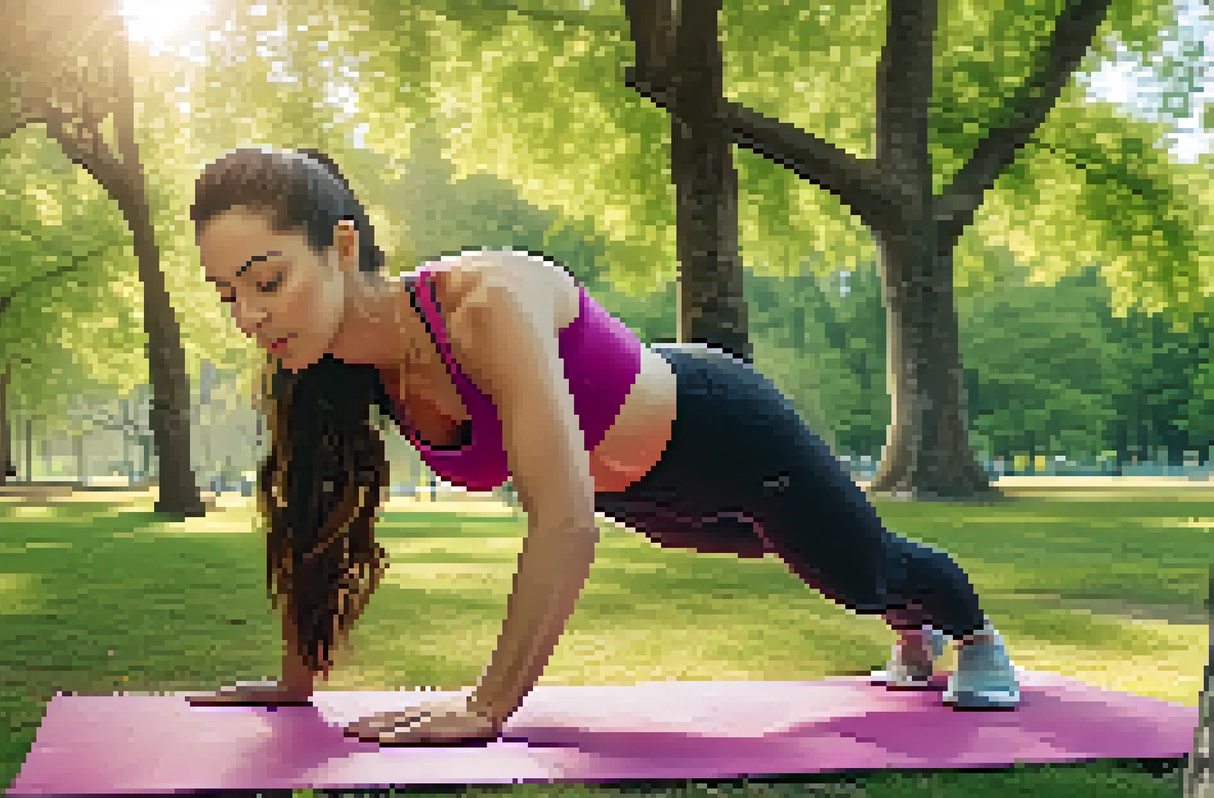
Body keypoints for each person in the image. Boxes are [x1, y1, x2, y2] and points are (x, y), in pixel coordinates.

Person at [183, 147, 1021, 745]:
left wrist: (487, 706)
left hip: (721, 433)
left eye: (267, 280)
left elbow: (561, 524)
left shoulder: (485, 302)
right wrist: (297, 684)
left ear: (341, 247)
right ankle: (910, 633)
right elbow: (314, 521)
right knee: (803, 558)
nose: (250, 316)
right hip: (639, 498)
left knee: (858, 568)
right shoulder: (332, 372)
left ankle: (971, 637)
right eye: (228, 296)